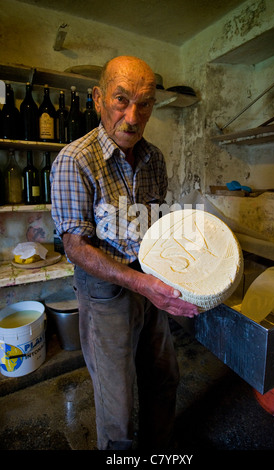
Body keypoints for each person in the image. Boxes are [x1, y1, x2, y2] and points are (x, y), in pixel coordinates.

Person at [50, 55, 199, 451]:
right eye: (121, 100)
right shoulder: (75, 160)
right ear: (98, 99)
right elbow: (75, 246)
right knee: (118, 403)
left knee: (164, 377)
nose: (132, 117)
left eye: (145, 103)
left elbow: (157, 229)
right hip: (105, 295)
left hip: (150, 284)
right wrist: (142, 283)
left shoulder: (155, 159)